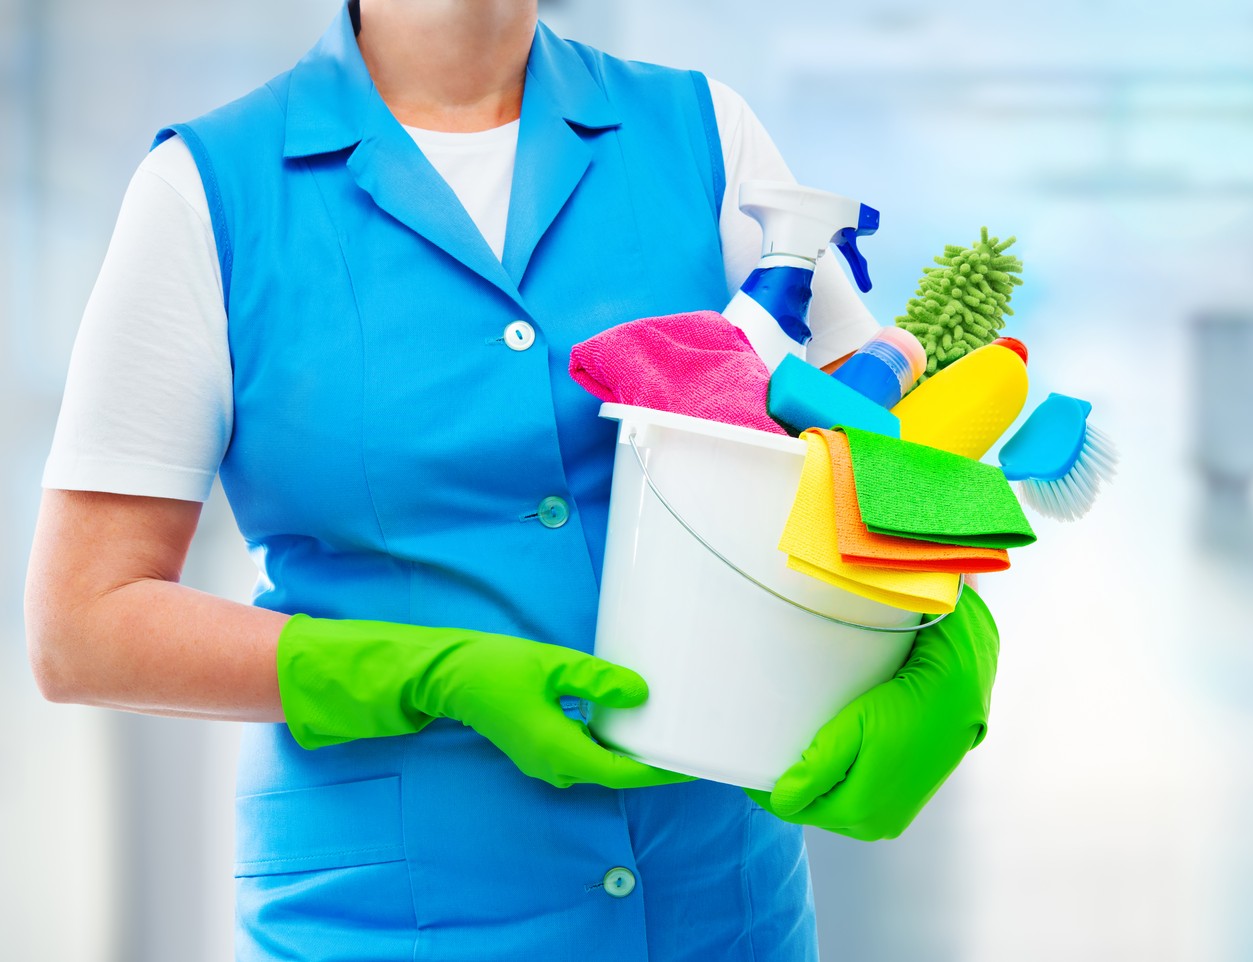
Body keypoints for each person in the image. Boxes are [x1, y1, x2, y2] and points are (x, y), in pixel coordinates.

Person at [22, 1, 999, 959]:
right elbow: (85, 622)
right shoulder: (213, 189)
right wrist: (427, 675)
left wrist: (953, 650)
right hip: (387, 919)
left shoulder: (704, 136)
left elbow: (877, 463)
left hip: (718, 910)